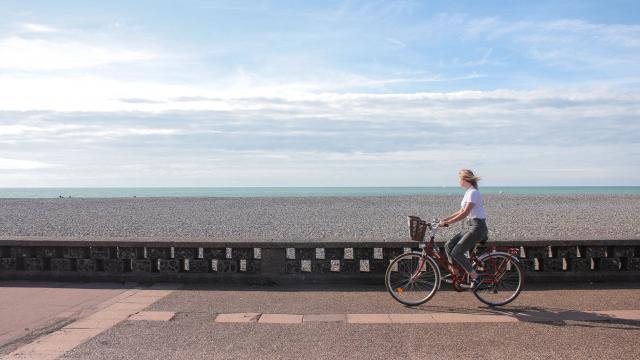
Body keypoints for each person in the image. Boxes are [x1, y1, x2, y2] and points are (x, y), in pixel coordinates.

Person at [438, 169, 488, 289]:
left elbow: (465, 213)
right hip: (470, 226)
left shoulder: (473, 193)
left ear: (465, 179)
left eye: (459, 178)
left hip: (477, 228)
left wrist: (448, 223)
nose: (458, 181)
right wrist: (444, 219)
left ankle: (476, 278)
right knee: (448, 245)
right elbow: (460, 211)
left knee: (457, 252)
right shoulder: (468, 192)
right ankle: (456, 273)